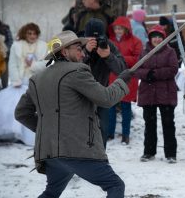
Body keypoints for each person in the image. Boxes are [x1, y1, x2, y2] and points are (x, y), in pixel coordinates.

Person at [14, 30, 133, 198]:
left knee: (51, 193)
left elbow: (21, 113)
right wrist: (122, 81)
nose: (82, 51)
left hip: (50, 153)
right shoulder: (77, 72)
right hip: (77, 150)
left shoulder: (37, 79)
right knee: (115, 185)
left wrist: (48, 130)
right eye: (77, 47)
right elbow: (106, 99)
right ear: (64, 51)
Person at [0, 23, 47, 145]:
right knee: (12, 107)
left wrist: (33, 65)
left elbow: (46, 64)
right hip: (20, 82)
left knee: (33, 109)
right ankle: (11, 134)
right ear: (24, 33)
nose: (32, 36)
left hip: (36, 82)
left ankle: (28, 136)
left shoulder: (43, 46)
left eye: (34, 33)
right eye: (29, 33)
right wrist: (15, 79)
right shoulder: (17, 46)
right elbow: (12, 64)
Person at [135, 25, 179, 163]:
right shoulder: (144, 52)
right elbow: (137, 69)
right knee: (150, 123)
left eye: (159, 37)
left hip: (166, 93)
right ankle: (149, 152)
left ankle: (171, 154)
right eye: (154, 37)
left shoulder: (170, 52)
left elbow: (173, 69)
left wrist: (156, 73)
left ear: (164, 38)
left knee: (168, 123)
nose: (157, 39)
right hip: (148, 93)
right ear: (150, 38)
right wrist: (147, 74)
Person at [83, 18, 126, 148]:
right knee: (81, 131)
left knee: (102, 130)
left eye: (98, 37)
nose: (95, 41)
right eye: (91, 38)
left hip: (102, 94)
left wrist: (108, 56)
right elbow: (68, 68)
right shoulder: (77, 45)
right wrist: (85, 53)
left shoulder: (109, 45)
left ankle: (100, 160)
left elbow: (122, 70)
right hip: (81, 95)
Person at [108, 16, 142, 145]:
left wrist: (120, 59)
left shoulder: (135, 41)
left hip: (128, 77)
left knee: (126, 107)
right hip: (112, 76)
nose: (118, 31)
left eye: (120, 28)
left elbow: (138, 58)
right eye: (116, 28)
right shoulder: (110, 41)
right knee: (110, 106)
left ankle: (125, 134)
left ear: (126, 29)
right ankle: (110, 133)